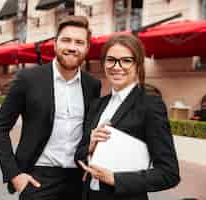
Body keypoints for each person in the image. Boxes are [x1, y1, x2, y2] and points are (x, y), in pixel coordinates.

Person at [0, 15, 101, 200]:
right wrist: (14, 175)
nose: (72, 47)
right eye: (66, 40)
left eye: (79, 42)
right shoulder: (28, 79)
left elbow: (89, 131)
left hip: (78, 180)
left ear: (87, 48)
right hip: (38, 179)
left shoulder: (93, 86)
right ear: (55, 44)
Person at [75, 34, 180, 200]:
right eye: (111, 60)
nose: (117, 67)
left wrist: (116, 179)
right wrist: (90, 146)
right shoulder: (97, 105)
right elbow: (79, 154)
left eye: (126, 60)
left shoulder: (150, 105)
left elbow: (169, 173)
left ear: (138, 65)